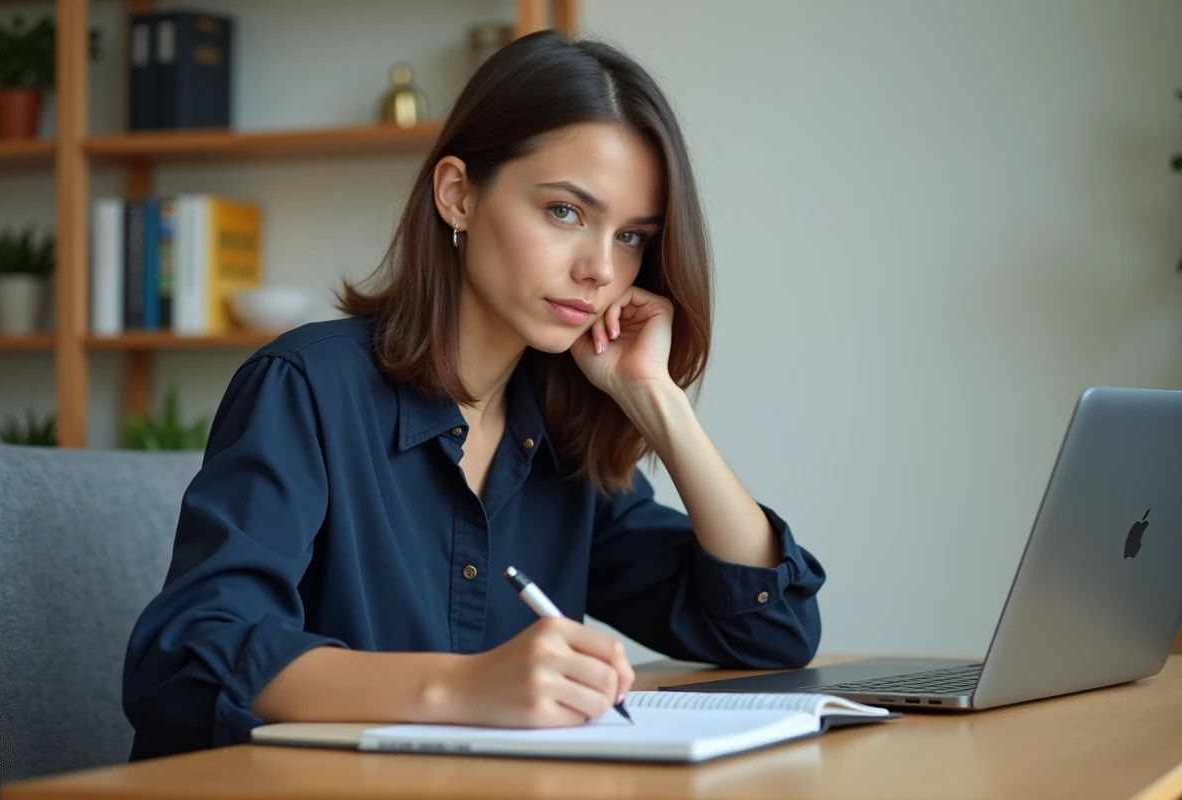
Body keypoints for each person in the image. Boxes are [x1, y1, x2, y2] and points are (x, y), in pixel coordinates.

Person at [122, 30, 825, 760]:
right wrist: (462, 687)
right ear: (458, 194)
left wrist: (660, 402)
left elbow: (767, 629)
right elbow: (187, 660)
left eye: (631, 238)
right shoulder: (307, 388)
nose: (599, 269)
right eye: (565, 212)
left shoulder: (556, 433)